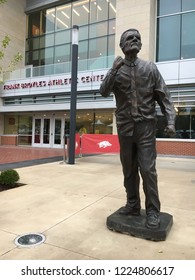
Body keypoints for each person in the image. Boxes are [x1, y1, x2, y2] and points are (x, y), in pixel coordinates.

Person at [100, 28, 176, 229]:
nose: (134, 40)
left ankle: (152, 211)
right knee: (129, 170)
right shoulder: (116, 71)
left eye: (137, 38)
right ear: (122, 46)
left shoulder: (150, 68)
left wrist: (170, 122)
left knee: (148, 170)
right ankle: (133, 205)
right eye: (129, 38)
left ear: (140, 45)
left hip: (146, 129)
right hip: (125, 129)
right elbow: (103, 92)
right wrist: (113, 70)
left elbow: (164, 97)